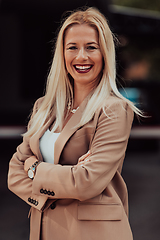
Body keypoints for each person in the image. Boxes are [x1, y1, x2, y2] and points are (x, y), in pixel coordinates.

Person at [8, 7, 141, 240]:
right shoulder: (44, 107)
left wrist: (34, 168)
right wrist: (68, 175)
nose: (81, 57)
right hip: (43, 231)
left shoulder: (114, 110)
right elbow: (13, 174)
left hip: (94, 233)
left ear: (105, 54)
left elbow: (86, 183)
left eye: (91, 47)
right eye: (72, 47)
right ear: (62, 53)